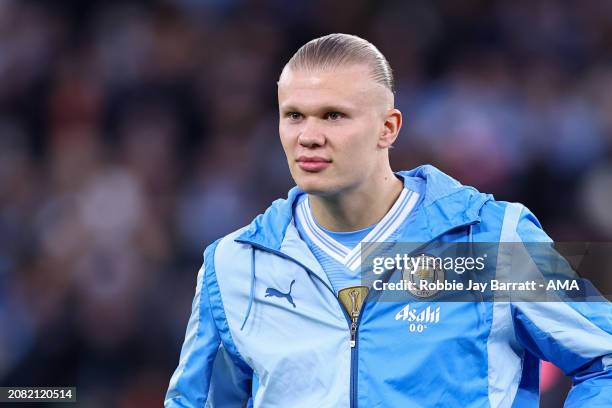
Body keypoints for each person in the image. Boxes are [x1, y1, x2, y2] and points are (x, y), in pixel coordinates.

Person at [165, 34, 612, 407]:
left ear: (388, 128)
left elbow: (604, 362)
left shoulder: (493, 239)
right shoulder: (234, 264)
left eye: (334, 115)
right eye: (294, 116)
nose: (309, 136)